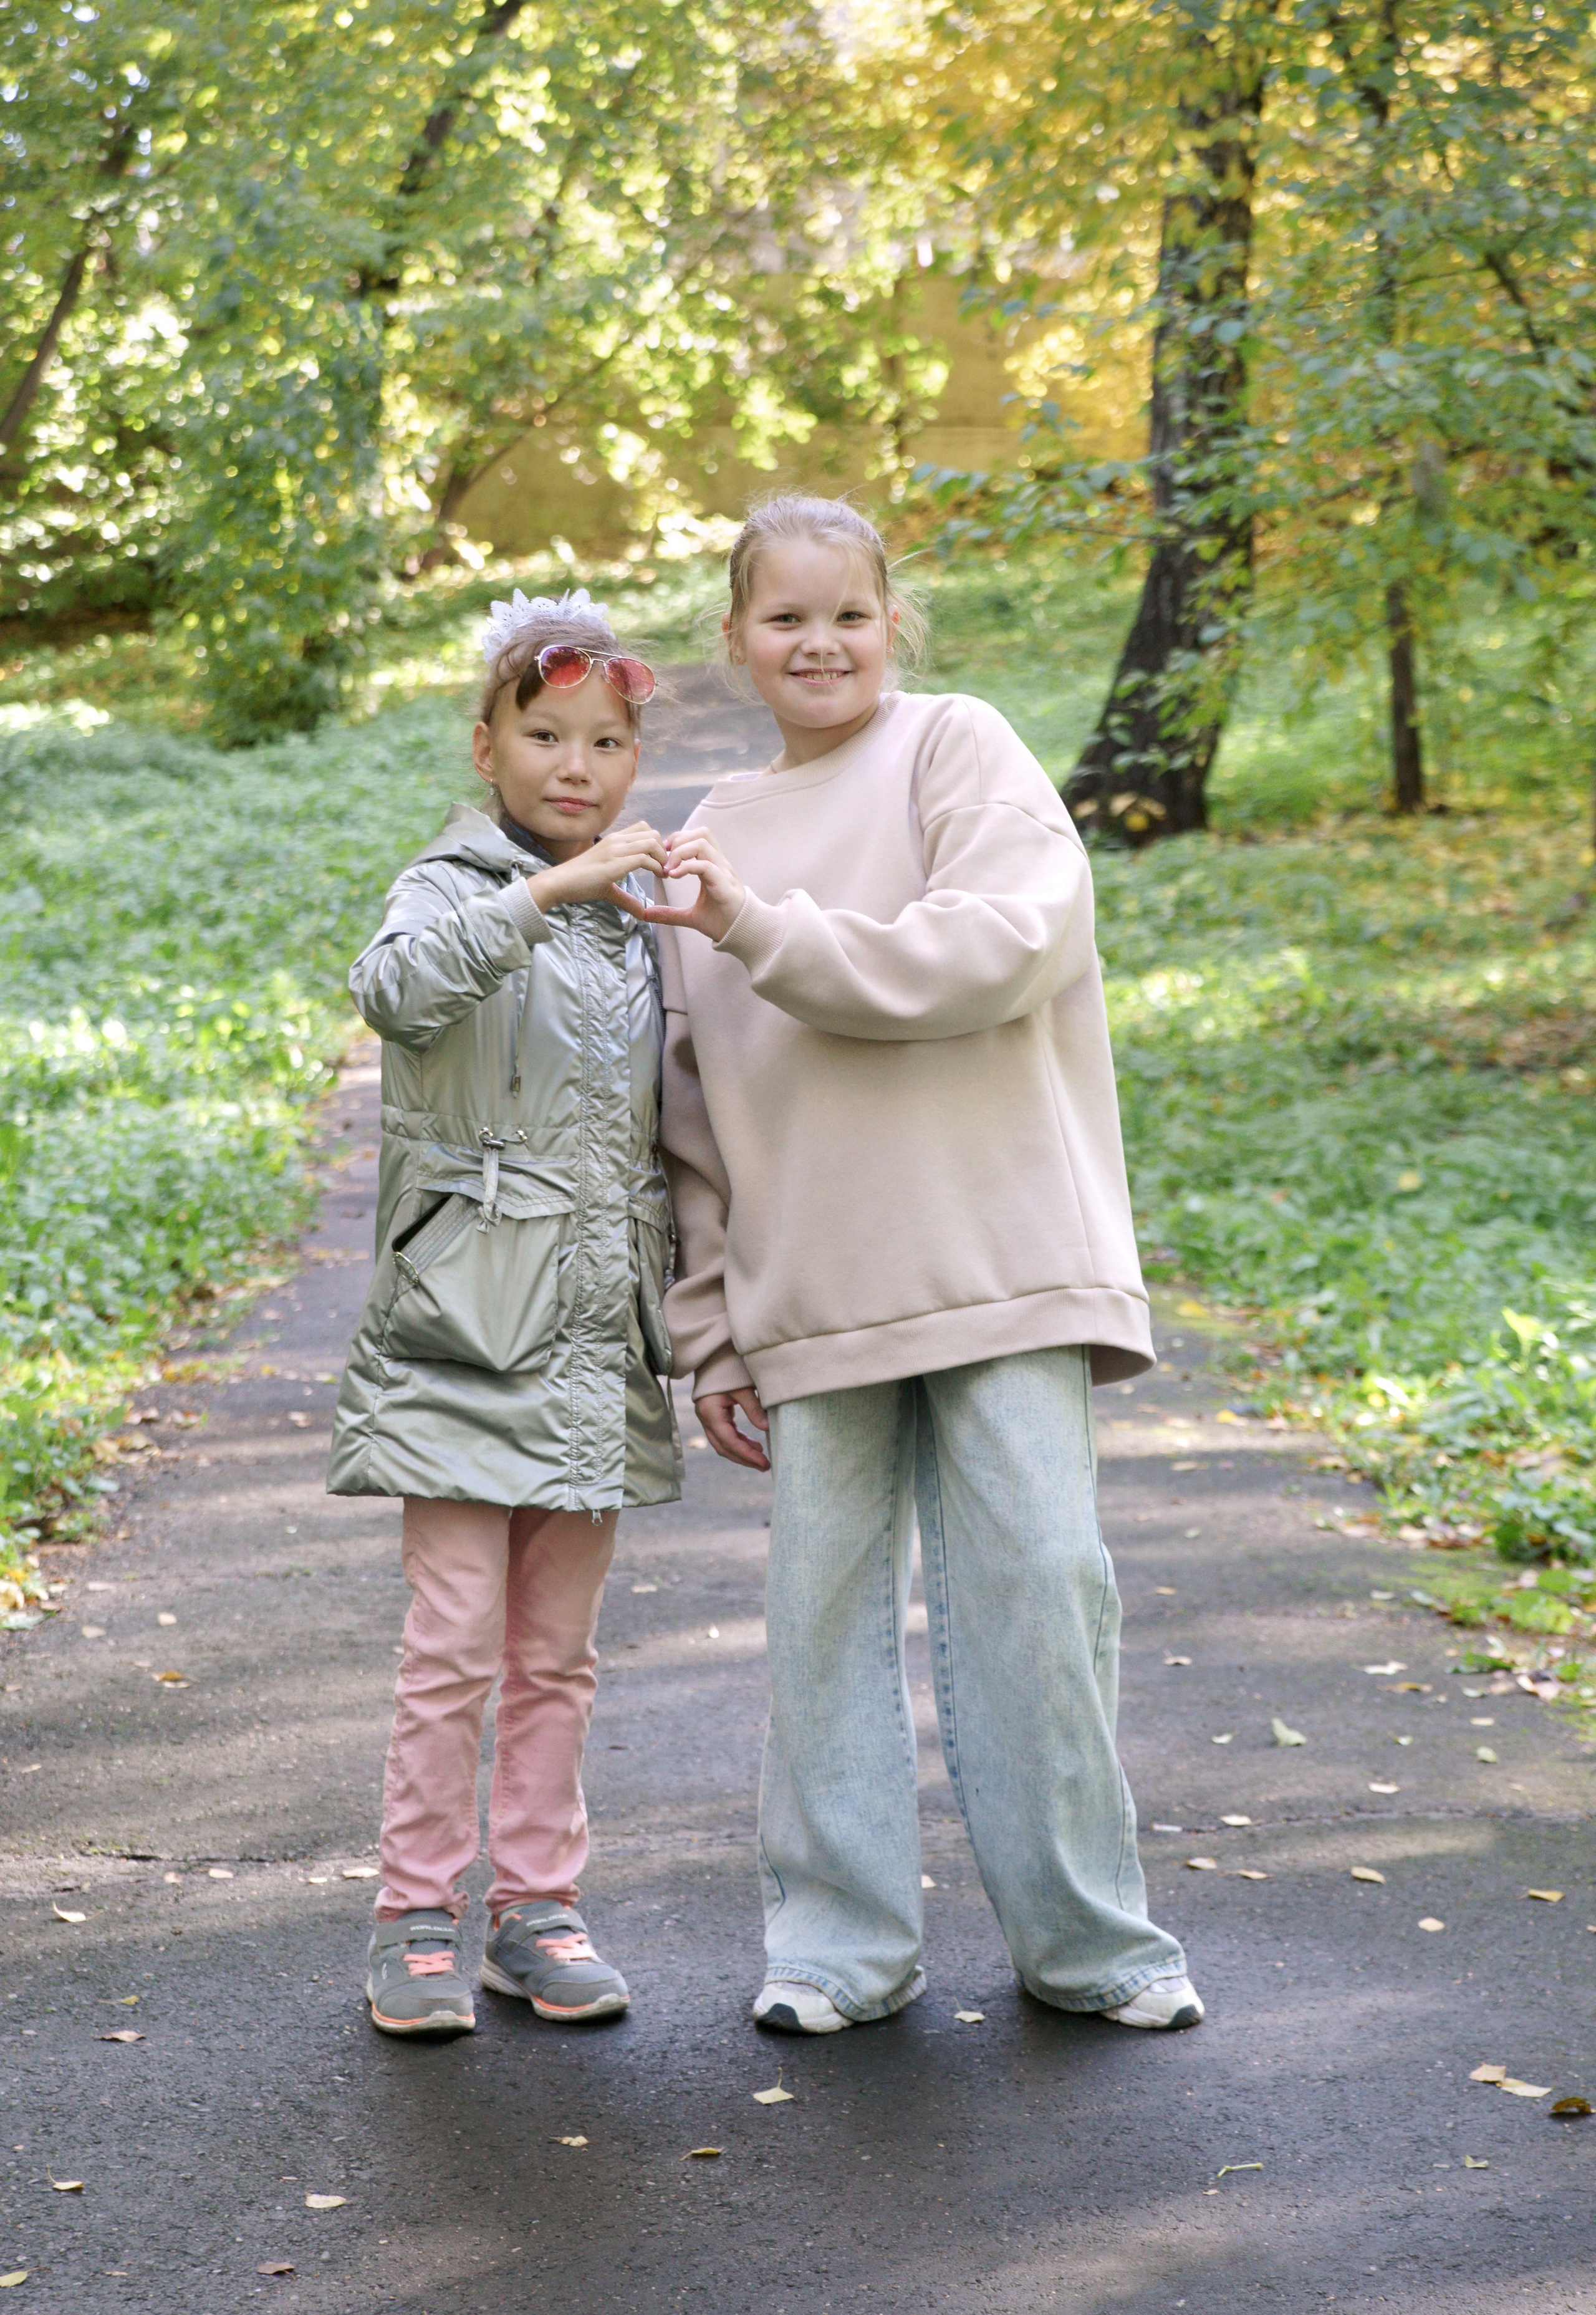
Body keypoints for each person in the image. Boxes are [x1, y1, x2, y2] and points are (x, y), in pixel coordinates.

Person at [648, 498, 1202, 2036]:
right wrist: (712, 1330)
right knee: (819, 1622)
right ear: (735, 639)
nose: (818, 643)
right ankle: (833, 1950)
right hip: (811, 1286)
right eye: (783, 618)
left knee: (1041, 1585)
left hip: (1000, 1252)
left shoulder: (960, 748)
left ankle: (1093, 1944)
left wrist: (760, 925)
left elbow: (992, 949)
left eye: (847, 614)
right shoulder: (707, 840)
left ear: (897, 621)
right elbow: (688, 1115)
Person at [329, 589, 680, 2037]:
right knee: (455, 1637)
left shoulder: (635, 923)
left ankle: (534, 1911)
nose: (574, 766)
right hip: (461, 1321)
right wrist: (539, 895)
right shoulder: (455, 882)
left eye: (604, 741)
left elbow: (677, 1123)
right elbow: (395, 993)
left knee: (557, 1649)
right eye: (543, 733)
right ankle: (413, 1912)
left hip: (594, 1332)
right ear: (486, 744)